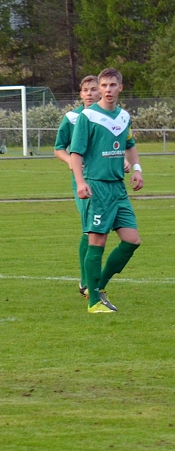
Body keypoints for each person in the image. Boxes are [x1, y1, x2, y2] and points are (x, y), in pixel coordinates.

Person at [69, 67, 143, 314]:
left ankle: (97, 286)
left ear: (120, 88)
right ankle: (93, 303)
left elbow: (129, 144)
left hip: (118, 189)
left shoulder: (124, 117)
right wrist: (81, 182)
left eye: (113, 85)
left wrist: (137, 169)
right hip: (97, 186)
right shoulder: (87, 116)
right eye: (104, 86)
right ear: (99, 89)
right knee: (97, 241)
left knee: (132, 241)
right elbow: (75, 153)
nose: (108, 90)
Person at [54, 76, 101, 296]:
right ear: (80, 94)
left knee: (101, 228)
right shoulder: (72, 118)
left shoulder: (109, 117)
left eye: (94, 89)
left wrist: (125, 162)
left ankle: (91, 278)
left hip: (105, 180)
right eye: (86, 90)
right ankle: (85, 280)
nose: (90, 93)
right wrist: (72, 163)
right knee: (89, 228)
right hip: (83, 181)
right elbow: (59, 148)